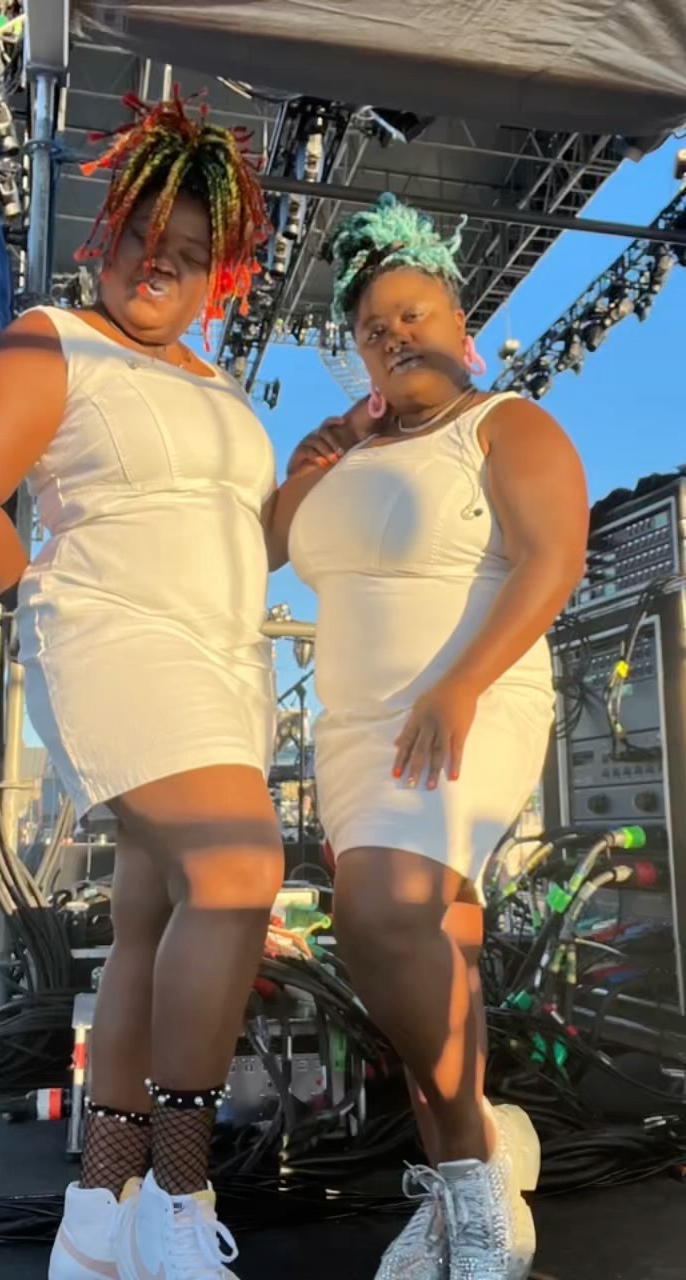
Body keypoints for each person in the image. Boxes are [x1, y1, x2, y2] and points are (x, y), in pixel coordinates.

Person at [0, 91, 283, 1280]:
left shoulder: (217, 384)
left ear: (216, 274)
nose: (160, 260)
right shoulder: (54, 339)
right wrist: (36, 585)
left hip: (225, 659)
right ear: (103, 234)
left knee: (151, 918)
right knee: (239, 868)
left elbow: (234, 532)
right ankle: (179, 1193)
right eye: (143, 235)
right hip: (116, 639)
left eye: (189, 251)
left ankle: (99, 1212)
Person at [269, 194, 589, 1280]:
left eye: (414, 314)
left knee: (380, 915)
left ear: (460, 322)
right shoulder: (350, 450)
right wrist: (313, 462)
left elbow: (554, 557)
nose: (396, 334)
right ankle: (471, 1185)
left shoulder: (504, 422)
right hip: (354, 732)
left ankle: (472, 1174)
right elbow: (264, 547)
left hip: (467, 703)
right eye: (374, 328)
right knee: (430, 952)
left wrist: (458, 684)